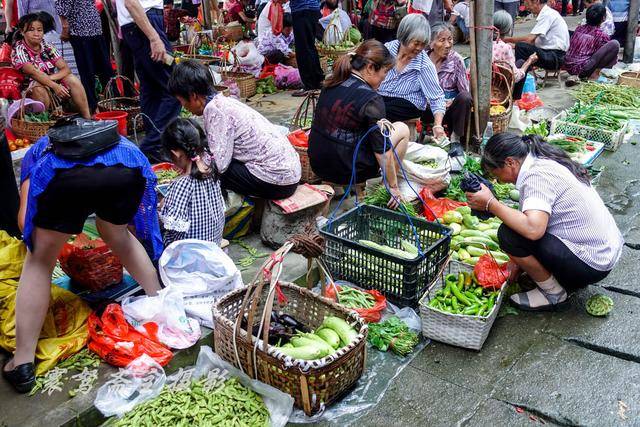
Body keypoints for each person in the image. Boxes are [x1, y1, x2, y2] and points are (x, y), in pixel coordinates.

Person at [2, 125, 163, 393]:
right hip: (126, 167)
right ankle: (163, 312)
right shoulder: (114, 141)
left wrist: (52, 237)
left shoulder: (37, 156)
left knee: (40, 261)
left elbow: (23, 222)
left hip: (66, 180)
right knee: (118, 235)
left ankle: (22, 364)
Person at [465, 133, 623, 311]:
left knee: (508, 234)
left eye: (496, 174)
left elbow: (533, 229)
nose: (498, 180)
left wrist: (490, 204)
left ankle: (553, 294)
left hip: (593, 262)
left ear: (510, 162)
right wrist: (517, 263)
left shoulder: (536, 177)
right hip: (605, 251)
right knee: (516, 226)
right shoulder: (542, 160)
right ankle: (559, 278)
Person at [168, 60, 301, 200]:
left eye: (180, 100)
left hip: (279, 182)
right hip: (290, 173)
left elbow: (219, 165)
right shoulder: (224, 101)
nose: (182, 105)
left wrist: (190, 168)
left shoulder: (215, 110)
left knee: (210, 173)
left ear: (193, 95)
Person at [308, 40, 410, 206]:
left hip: (317, 163)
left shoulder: (331, 82)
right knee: (402, 129)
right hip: (349, 170)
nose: (384, 78)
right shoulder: (371, 99)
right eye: (385, 72)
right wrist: (394, 187)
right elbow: (382, 152)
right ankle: (386, 188)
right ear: (370, 68)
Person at [116, 0, 181, 163]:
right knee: (176, 87)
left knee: (152, 90)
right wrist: (154, 37)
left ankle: (155, 149)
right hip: (144, 22)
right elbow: (131, 3)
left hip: (138, 24)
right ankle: (152, 146)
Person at [378, 14, 447, 142]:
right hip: (381, 98)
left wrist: (437, 125)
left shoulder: (424, 65)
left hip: (407, 103)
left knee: (379, 110)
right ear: (404, 37)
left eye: (423, 44)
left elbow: (437, 98)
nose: (419, 48)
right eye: (416, 43)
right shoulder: (386, 50)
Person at [11, 12, 91, 119]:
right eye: (31, 30)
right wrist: (54, 85)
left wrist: (50, 79)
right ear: (22, 32)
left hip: (51, 84)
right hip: (29, 92)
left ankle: (88, 118)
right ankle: (44, 123)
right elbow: (34, 73)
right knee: (38, 87)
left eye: (39, 30)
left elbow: (66, 69)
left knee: (71, 79)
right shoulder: (19, 50)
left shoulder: (47, 46)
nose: (36, 33)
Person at [160, 118, 225, 247]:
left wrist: (163, 207)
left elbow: (173, 228)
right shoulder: (211, 168)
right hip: (213, 244)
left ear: (175, 154)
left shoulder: (182, 184)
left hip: (189, 254)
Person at [55, 0, 114, 114]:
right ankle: (98, 106)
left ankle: (106, 104)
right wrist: (65, 29)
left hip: (90, 30)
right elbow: (63, 8)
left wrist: (65, 29)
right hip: (85, 30)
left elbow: (64, 9)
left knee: (99, 71)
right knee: (93, 72)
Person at [504, 0, 569, 98]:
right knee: (521, 47)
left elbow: (529, 39)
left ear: (536, 1)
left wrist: (506, 39)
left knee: (521, 47)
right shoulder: (547, 14)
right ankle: (524, 78)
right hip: (551, 54)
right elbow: (535, 41)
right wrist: (512, 45)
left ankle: (517, 90)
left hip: (554, 57)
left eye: (526, 2)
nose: (525, 7)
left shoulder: (548, 15)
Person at [427, 23, 471, 145]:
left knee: (465, 98)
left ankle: (455, 139)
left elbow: (464, 90)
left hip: (449, 108)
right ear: (431, 42)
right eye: (442, 40)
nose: (447, 45)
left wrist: (451, 101)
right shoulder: (423, 59)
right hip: (427, 108)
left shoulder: (456, 60)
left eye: (450, 39)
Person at [565, 3, 619, 83]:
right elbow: (608, 56)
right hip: (582, 69)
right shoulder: (601, 35)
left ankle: (580, 76)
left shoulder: (579, 28)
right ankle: (594, 75)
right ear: (603, 18)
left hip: (568, 67)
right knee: (615, 44)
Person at [493, 10, 538, 85]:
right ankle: (516, 96)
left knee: (520, 62)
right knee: (522, 63)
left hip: (489, 80)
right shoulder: (505, 48)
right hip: (499, 86)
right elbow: (515, 77)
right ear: (508, 29)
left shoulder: (482, 43)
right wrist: (529, 61)